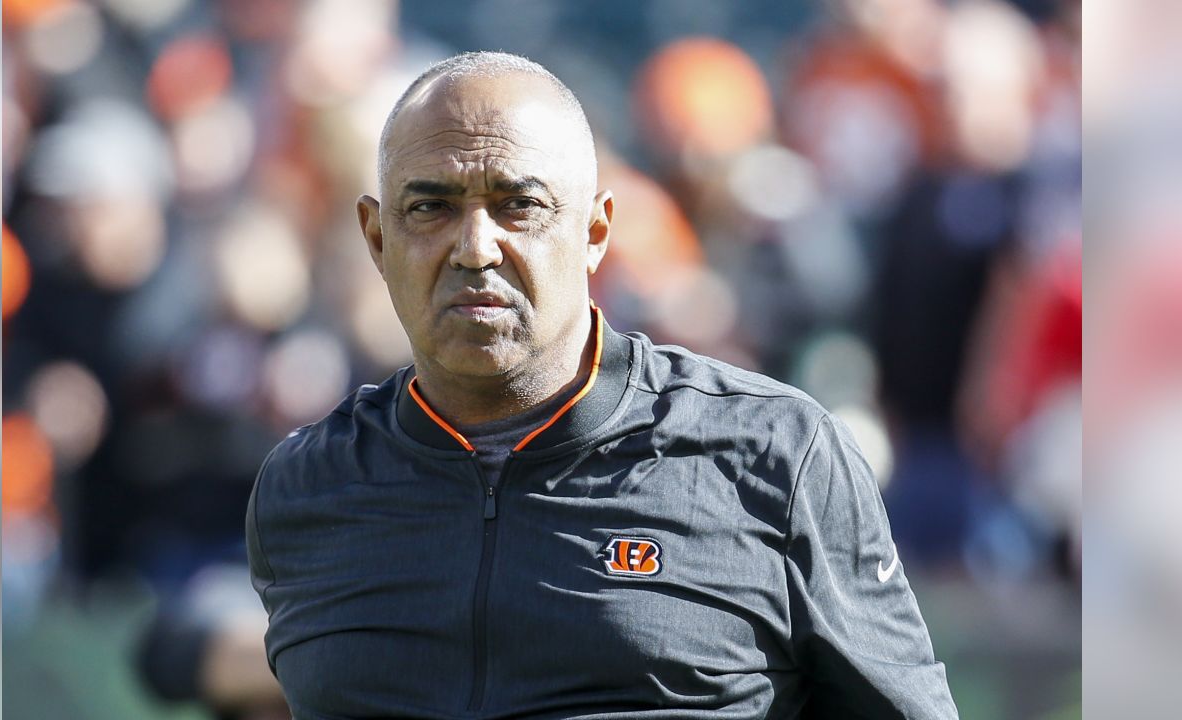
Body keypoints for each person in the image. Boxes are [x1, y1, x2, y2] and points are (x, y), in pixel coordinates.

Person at [246, 51, 959, 719]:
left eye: (518, 204)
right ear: (376, 238)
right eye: (430, 208)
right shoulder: (307, 486)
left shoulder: (773, 455)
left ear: (595, 232)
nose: (475, 246)